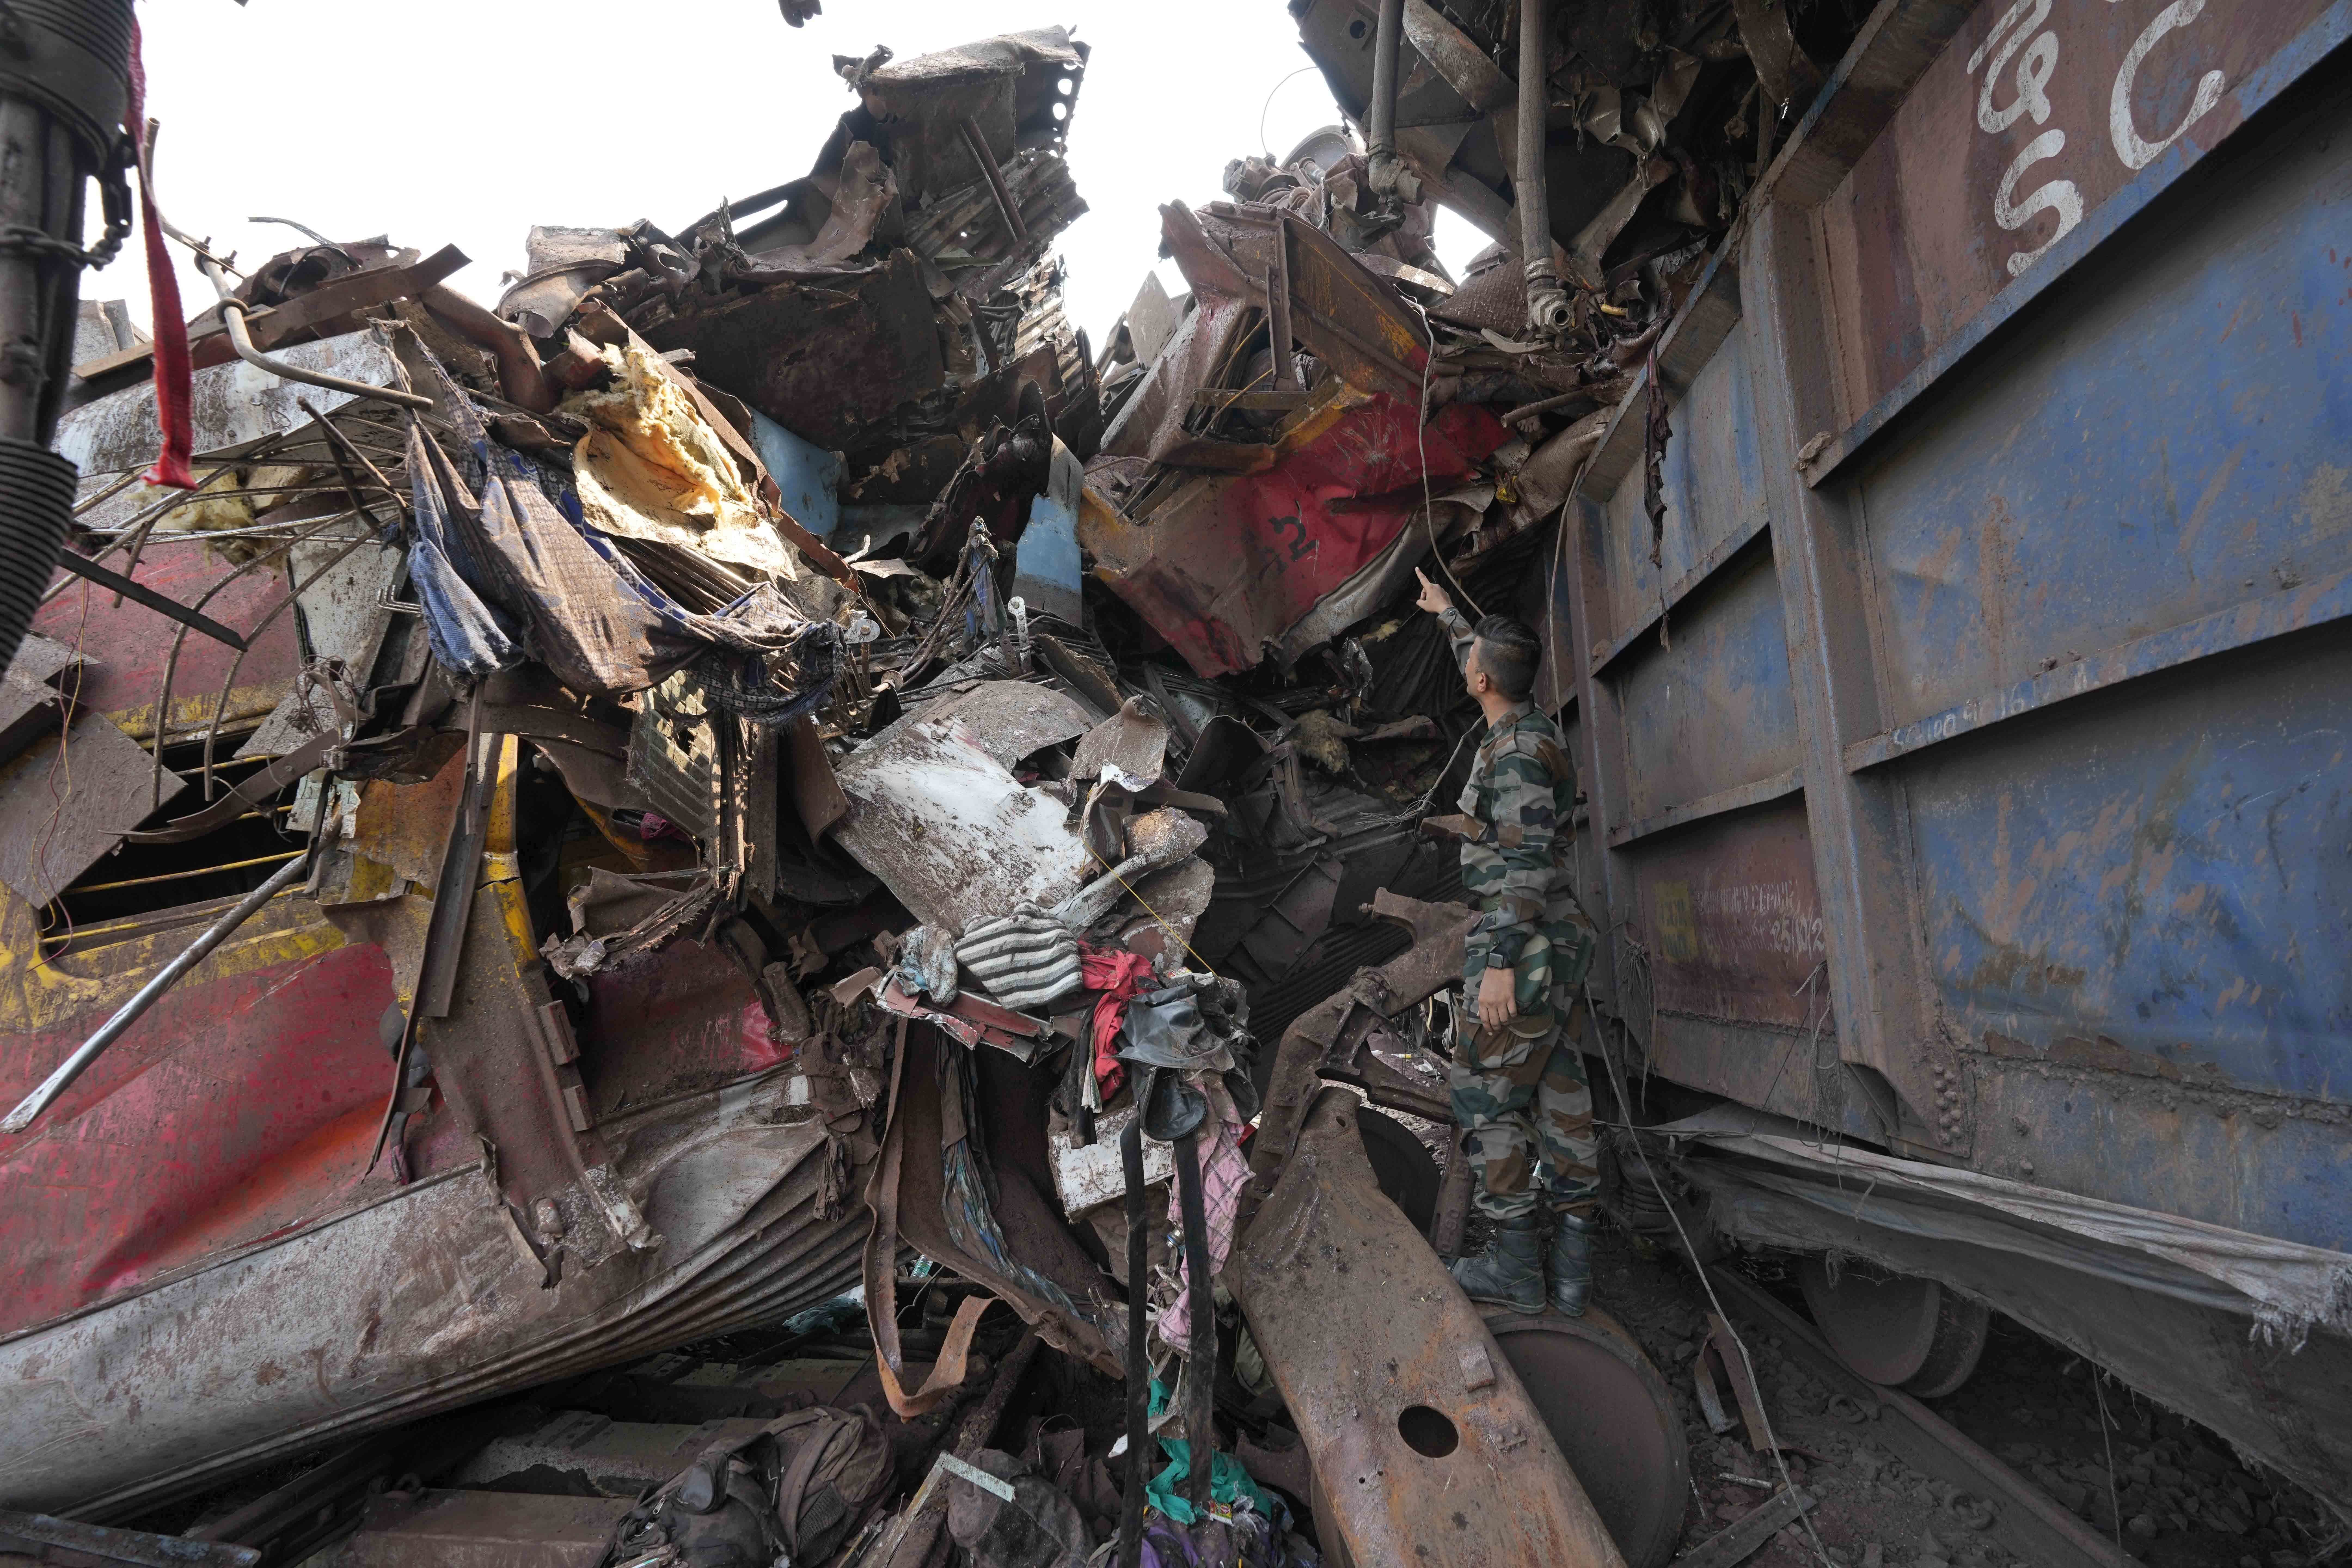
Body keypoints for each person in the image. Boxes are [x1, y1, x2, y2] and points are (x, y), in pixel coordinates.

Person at [1412, 568, 1601, 1316]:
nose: (1466, 665)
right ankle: (1574, 1279)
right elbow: (1489, 659)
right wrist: (1450, 616)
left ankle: (1516, 1271)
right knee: (1560, 1095)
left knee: (1484, 1097)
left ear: (1482, 680)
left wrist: (1496, 966)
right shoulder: (1527, 719)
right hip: (1554, 940)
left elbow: (1523, 863)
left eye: (1470, 660)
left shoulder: (1517, 753)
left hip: (1523, 942)